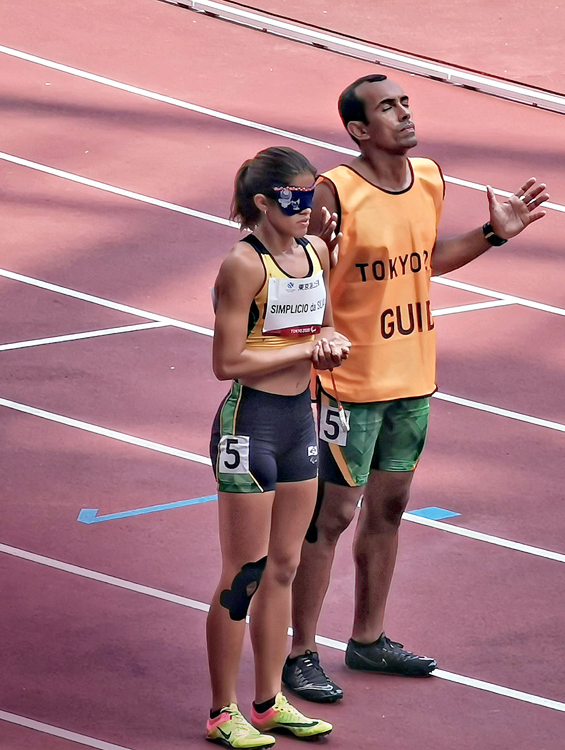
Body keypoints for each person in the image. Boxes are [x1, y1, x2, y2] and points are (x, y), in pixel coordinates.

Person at [282, 74, 549, 703]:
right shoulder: (335, 192)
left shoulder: (428, 178)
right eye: (387, 108)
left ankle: (369, 639)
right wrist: (314, 338)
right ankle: (299, 651)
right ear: (357, 129)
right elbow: (306, 273)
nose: (403, 114)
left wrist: (492, 236)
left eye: (404, 103)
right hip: (349, 384)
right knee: (333, 515)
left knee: (390, 509)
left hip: (412, 378)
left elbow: (425, 258)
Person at [206, 145, 351, 748]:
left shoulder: (315, 253)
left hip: (300, 422)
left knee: (285, 567)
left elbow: (320, 326)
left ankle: (268, 702)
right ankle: (222, 711)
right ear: (263, 203)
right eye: (295, 199)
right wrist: (307, 350)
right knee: (245, 572)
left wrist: (328, 343)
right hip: (251, 424)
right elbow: (226, 362)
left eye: (312, 196)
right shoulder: (243, 265)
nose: (307, 208)